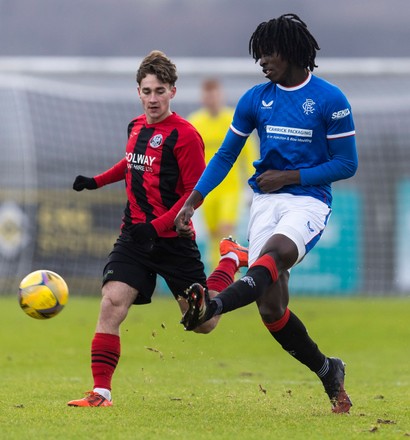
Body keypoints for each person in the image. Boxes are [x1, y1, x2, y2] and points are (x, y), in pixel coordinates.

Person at [174, 14, 358, 414]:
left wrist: (292, 175)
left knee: (273, 256)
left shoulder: (330, 100)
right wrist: (194, 199)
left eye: (268, 53)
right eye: (259, 55)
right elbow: (225, 154)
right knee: (271, 308)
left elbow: (347, 164)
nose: (261, 62)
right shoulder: (256, 99)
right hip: (266, 203)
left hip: (308, 202)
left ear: (291, 52)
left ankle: (215, 304)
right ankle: (329, 371)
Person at [67, 50, 248, 407]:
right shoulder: (135, 127)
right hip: (135, 237)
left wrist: (157, 226)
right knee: (111, 304)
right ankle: (101, 393)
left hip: (173, 242)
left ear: (173, 93)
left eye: (159, 91)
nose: (152, 98)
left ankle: (230, 260)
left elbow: (192, 195)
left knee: (202, 322)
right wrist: (96, 182)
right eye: (147, 91)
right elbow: (131, 163)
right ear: (138, 92)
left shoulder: (186, 136)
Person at [188, 79, 257, 269]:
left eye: (215, 94)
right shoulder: (195, 122)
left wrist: (253, 184)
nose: (212, 99)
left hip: (230, 189)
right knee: (212, 236)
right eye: (208, 95)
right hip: (207, 190)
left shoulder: (234, 119)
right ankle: (216, 278)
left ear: (221, 95)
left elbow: (249, 154)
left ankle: (230, 279)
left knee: (226, 231)